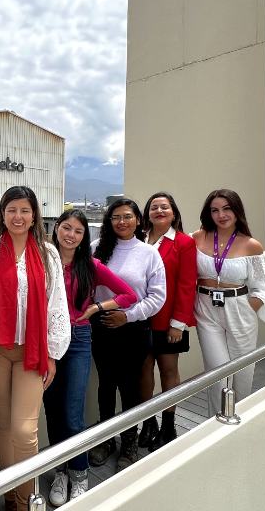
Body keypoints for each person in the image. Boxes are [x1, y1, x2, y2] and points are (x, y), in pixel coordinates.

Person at [0, 186, 70, 511]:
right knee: (2, 423)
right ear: (2, 213)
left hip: (33, 351)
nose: (18, 216)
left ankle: (28, 498)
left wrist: (53, 353)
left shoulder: (47, 252)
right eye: (11, 209)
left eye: (24, 210)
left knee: (24, 430)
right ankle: (10, 497)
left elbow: (57, 303)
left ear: (34, 216)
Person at [44, 209, 137, 505]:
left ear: (85, 238)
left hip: (79, 339)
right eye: (66, 228)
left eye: (78, 231)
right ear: (56, 229)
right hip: (45, 341)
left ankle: (79, 473)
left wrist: (97, 307)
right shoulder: (43, 262)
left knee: (72, 414)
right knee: (53, 411)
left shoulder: (91, 265)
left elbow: (128, 295)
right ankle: (60, 470)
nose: (71, 235)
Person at [89, 198, 166, 472]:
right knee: (106, 386)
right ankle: (106, 439)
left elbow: (158, 297)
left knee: (131, 387)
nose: (122, 222)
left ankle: (129, 441)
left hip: (134, 329)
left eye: (127, 216)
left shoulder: (148, 253)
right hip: (102, 328)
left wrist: (128, 315)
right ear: (109, 221)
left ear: (138, 220)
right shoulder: (97, 249)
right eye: (116, 217)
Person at [192, 189, 265, 414]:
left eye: (227, 208)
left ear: (237, 210)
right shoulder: (198, 237)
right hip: (206, 309)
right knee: (217, 373)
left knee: (242, 373)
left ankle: (239, 423)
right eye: (215, 210)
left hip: (239, 309)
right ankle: (215, 424)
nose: (221, 215)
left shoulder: (251, 245)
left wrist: (250, 307)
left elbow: (264, 286)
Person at [137, 192, 197, 452]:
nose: (159, 211)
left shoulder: (183, 243)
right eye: (154, 207)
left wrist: (178, 323)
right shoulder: (138, 240)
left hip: (169, 321)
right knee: (143, 371)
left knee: (168, 370)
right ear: (147, 213)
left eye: (164, 207)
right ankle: (148, 421)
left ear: (173, 213)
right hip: (140, 318)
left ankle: (168, 423)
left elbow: (186, 285)